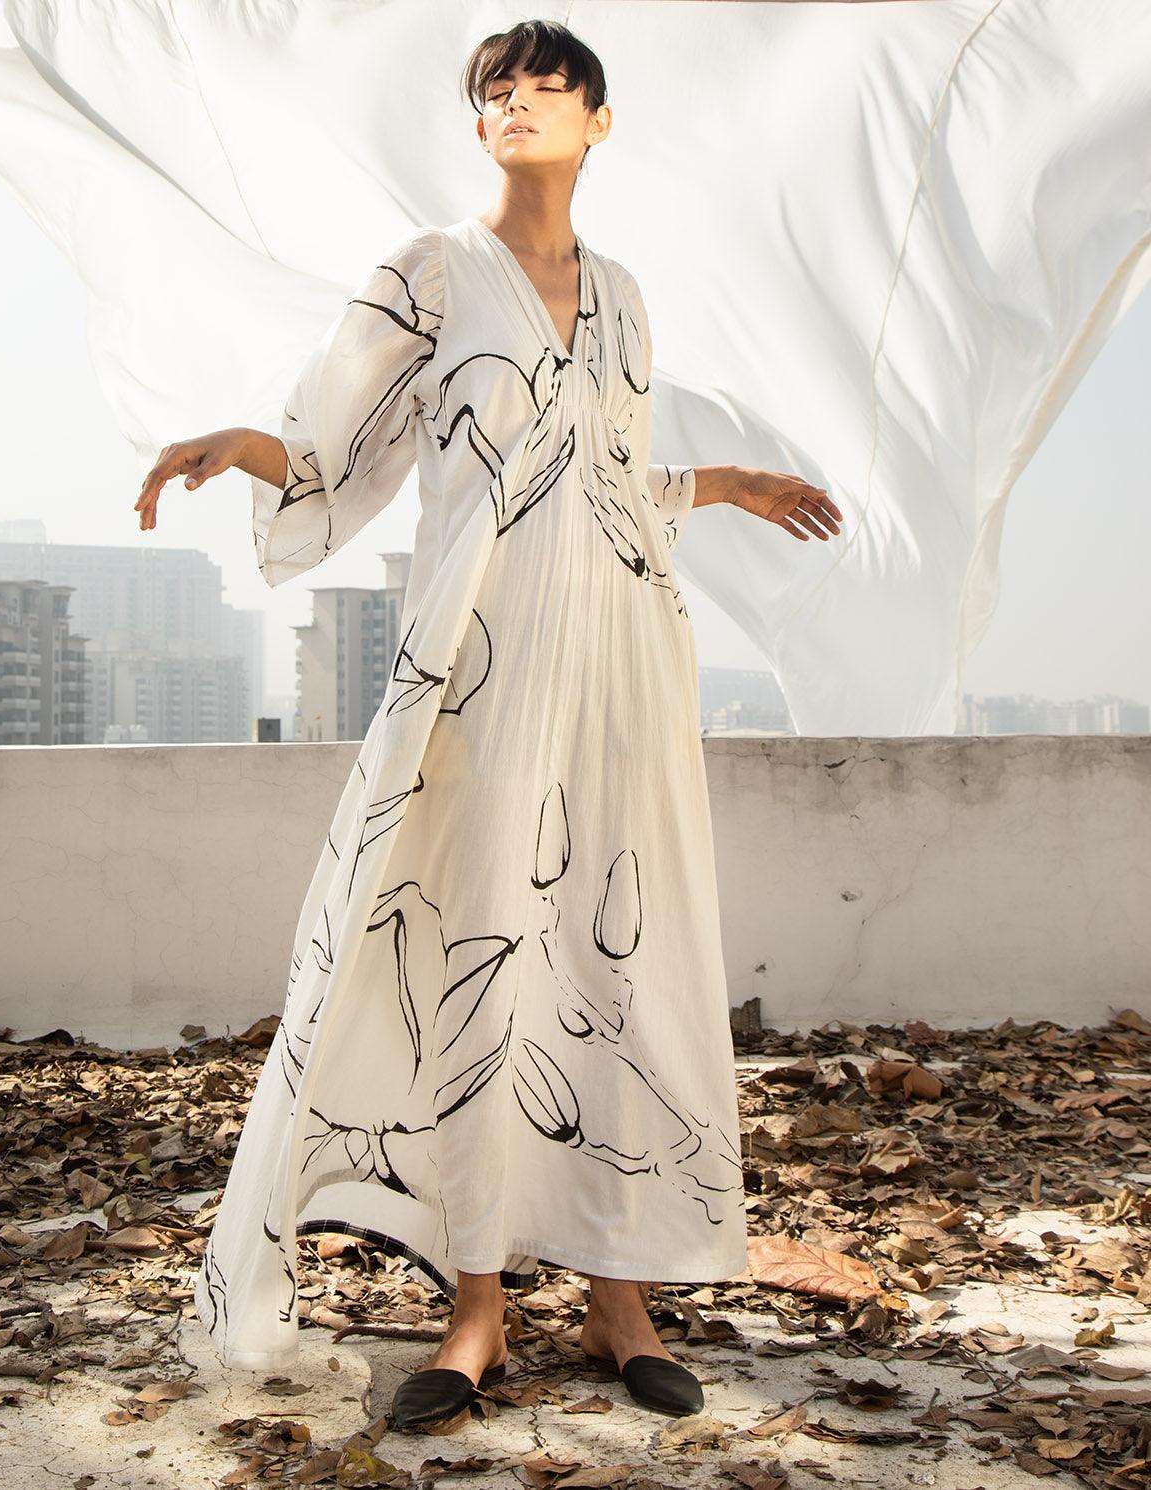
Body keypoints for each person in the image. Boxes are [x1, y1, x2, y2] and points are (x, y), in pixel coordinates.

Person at [134, 18, 839, 1428]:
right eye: (497, 93)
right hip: (480, 664)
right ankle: (476, 1308)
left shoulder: (626, 298)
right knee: (479, 960)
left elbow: (610, 480)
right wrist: (240, 447)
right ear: (477, 127)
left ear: (599, 120)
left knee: (617, 961)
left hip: (624, 662)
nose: (519, 106)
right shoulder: (430, 271)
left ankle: (620, 1296)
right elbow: (335, 446)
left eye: (548, 88)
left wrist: (727, 485)